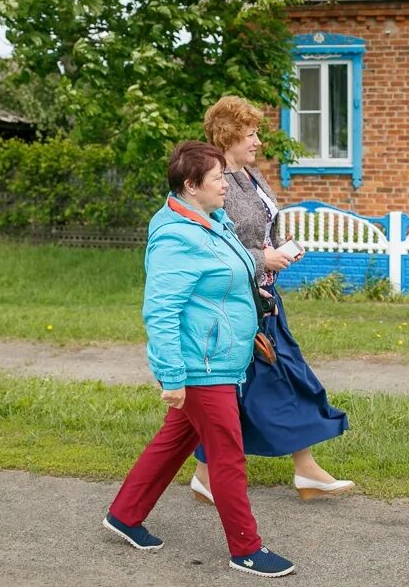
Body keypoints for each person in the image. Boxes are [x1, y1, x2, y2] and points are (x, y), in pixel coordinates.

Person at [103, 140, 295, 579]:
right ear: (192, 186)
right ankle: (246, 549)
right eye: (216, 180)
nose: (225, 186)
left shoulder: (211, 222)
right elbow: (161, 311)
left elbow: (224, 279)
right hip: (201, 364)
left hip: (221, 356)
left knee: (174, 442)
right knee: (227, 454)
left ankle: (125, 514)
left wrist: (253, 293)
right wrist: (171, 375)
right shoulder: (175, 238)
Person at [191, 96, 352, 503]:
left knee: (264, 379)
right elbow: (211, 247)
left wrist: (281, 251)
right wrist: (265, 258)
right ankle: (219, 473)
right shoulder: (213, 181)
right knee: (246, 383)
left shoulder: (251, 175)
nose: (258, 141)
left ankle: (296, 468)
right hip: (233, 300)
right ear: (228, 137)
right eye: (250, 134)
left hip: (263, 294)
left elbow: (262, 227)